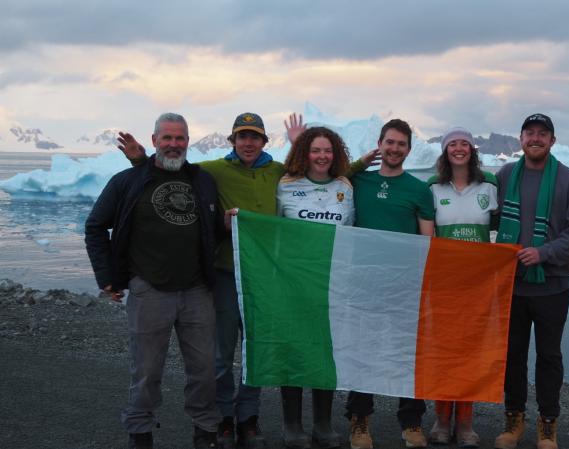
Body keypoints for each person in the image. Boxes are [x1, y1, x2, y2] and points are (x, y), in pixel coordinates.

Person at [118, 112, 284, 449]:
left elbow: (318, 172)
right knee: (219, 355)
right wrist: (140, 160)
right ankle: (222, 419)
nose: (248, 143)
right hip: (224, 272)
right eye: (242, 136)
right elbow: (169, 168)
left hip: (264, 276)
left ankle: (248, 418)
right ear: (232, 141)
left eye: (255, 137)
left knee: (256, 350)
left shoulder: (279, 171)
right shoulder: (213, 170)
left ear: (264, 141)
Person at [85, 113, 223, 449]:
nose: (174, 144)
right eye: (167, 138)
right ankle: (140, 433)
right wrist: (107, 277)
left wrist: (230, 225)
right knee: (146, 371)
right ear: (154, 141)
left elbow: (214, 229)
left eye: (180, 138)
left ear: (188, 141)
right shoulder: (127, 181)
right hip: (149, 290)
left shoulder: (202, 181)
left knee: (205, 369)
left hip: (197, 290)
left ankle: (205, 431)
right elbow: (95, 226)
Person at [494, 113, 569, 449]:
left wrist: (544, 252)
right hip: (513, 285)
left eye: (542, 134)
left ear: (552, 140)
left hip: (552, 286)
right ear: (521, 139)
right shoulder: (506, 175)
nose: (535, 138)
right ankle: (513, 420)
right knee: (513, 355)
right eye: (529, 133)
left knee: (549, 357)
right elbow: (484, 215)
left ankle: (548, 424)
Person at [346, 118, 435, 449]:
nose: (395, 149)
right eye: (390, 142)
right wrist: (359, 163)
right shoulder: (358, 181)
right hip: (363, 280)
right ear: (379, 145)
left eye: (401, 144)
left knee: (407, 352)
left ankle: (411, 421)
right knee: (362, 351)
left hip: (403, 283)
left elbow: (428, 239)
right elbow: (325, 174)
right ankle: (359, 420)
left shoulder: (418, 190)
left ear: (409, 150)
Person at [277, 126, 355, 449]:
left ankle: (322, 423)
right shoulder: (286, 185)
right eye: (315, 150)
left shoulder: (344, 186)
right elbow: (272, 230)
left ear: (335, 154)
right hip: (294, 283)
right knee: (294, 350)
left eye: (327, 150)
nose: (322, 156)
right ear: (304, 153)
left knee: (325, 351)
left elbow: (350, 234)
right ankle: (292, 425)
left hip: (331, 281)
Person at [426, 127, 498, 447]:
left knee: (470, 351)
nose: (459, 148)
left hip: (477, 284)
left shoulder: (489, 185)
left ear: (472, 150)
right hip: (444, 283)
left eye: (464, 144)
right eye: (452, 144)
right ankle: (442, 419)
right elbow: (427, 233)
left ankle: (466, 422)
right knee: (444, 352)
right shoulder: (433, 187)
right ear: (445, 151)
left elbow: (500, 228)